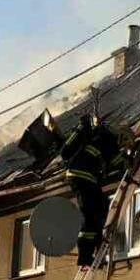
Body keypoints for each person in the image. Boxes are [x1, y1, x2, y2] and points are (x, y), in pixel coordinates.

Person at [58, 114, 124, 267]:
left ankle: (97, 252)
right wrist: (128, 160)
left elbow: (67, 152)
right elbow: (117, 162)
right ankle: (85, 257)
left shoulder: (93, 135)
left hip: (81, 178)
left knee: (100, 210)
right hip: (85, 179)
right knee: (90, 217)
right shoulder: (109, 139)